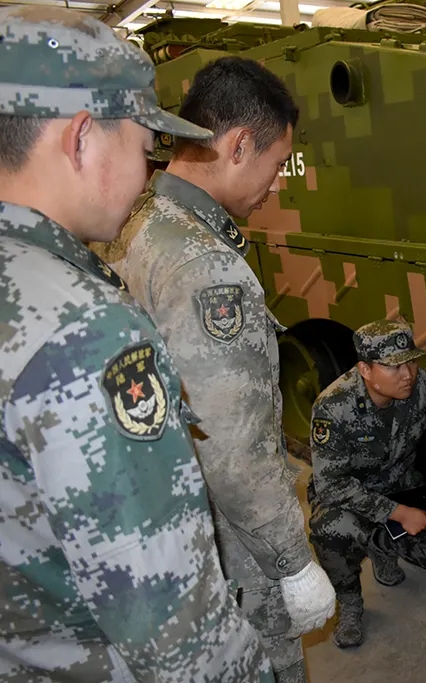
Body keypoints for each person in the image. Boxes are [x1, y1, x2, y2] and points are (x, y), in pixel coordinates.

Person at [0, 6, 276, 681]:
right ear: (83, 137)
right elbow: (177, 630)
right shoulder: (84, 331)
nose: (151, 165)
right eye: (144, 140)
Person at [89, 56, 334, 682]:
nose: (277, 184)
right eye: (277, 164)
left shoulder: (130, 225)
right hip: (226, 553)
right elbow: (234, 447)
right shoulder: (207, 269)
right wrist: (293, 561)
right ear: (239, 144)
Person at [308, 319, 426, 648]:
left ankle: (381, 547)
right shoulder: (333, 407)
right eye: (394, 367)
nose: (408, 373)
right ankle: (350, 604)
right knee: (329, 530)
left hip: (402, 487)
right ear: (365, 370)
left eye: (411, 361)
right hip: (351, 499)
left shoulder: (418, 385)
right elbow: (332, 486)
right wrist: (398, 514)